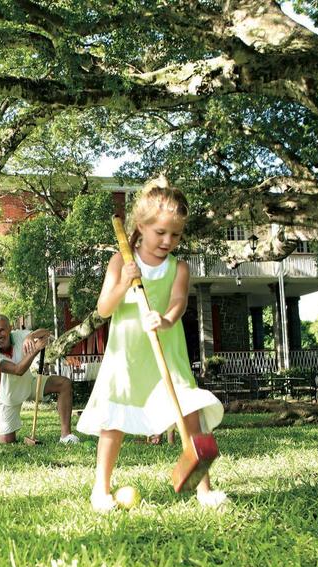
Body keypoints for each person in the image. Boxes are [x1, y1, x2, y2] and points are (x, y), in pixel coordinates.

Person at [76, 176, 226, 511]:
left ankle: (204, 490)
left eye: (176, 234)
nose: (168, 241)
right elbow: (104, 309)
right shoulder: (121, 261)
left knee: (190, 414)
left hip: (167, 352)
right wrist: (124, 283)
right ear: (141, 227)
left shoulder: (178, 267)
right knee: (114, 421)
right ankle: (100, 490)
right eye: (160, 232)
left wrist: (167, 320)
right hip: (128, 355)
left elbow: (178, 302)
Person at [0, 314, 80, 444]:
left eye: (2, 330)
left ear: (10, 328)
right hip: (9, 396)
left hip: (29, 383)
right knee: (7, 441)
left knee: (64, 384)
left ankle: (66, 436)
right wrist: (35, 349)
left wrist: (31, 336)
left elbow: (46, 332)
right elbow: (18, 370)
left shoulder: (19, 335)